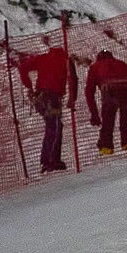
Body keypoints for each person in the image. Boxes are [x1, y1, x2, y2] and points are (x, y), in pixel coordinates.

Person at [15, 42, 76, 173]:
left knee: (53, 126)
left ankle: (51, 160)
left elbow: (22, 67)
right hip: (52, 98)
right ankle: (49, 161)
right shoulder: (66, 61)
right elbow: (73, 81)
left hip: (40, 97)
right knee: (54, 127)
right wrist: (72, 99)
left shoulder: (42, 58)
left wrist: (28, 85)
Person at [85, 47, 127, 156]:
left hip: (110, 92)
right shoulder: (122, 64)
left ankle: (106, 146)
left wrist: (94, 114)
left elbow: (89, 92)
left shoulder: (95, 67)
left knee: (107, 121)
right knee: (125, 118)